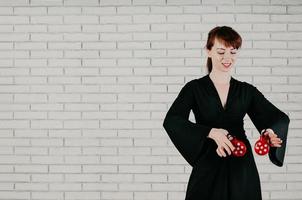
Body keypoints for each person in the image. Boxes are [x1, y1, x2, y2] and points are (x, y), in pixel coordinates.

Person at [162, 26, 290, 200]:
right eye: (221, 52)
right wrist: (211, 132)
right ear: (208, 51)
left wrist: (267, 133)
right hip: (208, 166)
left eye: (233, 52)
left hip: (242, 167)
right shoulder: (194, 88)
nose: (227, 58)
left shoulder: (247, 90)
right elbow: (172, 120)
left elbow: (273, 118)